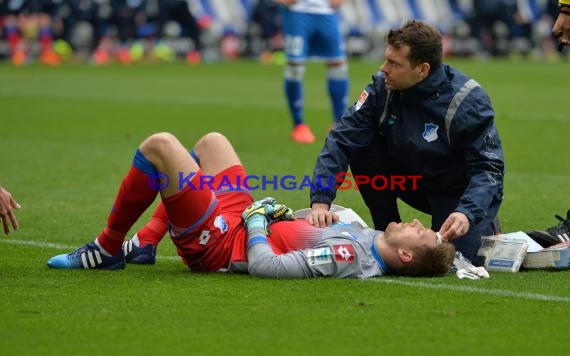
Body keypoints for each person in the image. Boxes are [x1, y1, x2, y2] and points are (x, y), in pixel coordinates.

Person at [46, 132, 455, 278]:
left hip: (220, 245)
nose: (416, 222)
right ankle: (149, 241)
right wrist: (295, 212)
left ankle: (107, 249)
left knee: (160, 147)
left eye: (419, 232)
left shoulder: (348, 256)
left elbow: (266, 266)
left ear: (404, 254)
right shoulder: (364, 238)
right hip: (239, 220)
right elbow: (300, 232)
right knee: (212, 142)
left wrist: (258, 219)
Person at [308, 20, 504, 266]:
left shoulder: (467, 100)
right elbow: (341, 138)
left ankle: (485, 224)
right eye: (386, 59)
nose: (383, 69)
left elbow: (489, 169)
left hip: (455, 191)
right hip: (410, 180)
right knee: (361, 144)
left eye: (394, 63)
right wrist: (321, 200)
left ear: (422, 70)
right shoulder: (382, 88)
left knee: (459, 261)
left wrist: (467, 212)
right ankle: (384, 230)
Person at [276, 0, 349, 144]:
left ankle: (338, 123)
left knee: (338, 66)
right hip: (297, 11)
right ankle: (299, 124)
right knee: (295, 67)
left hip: (327, 12)